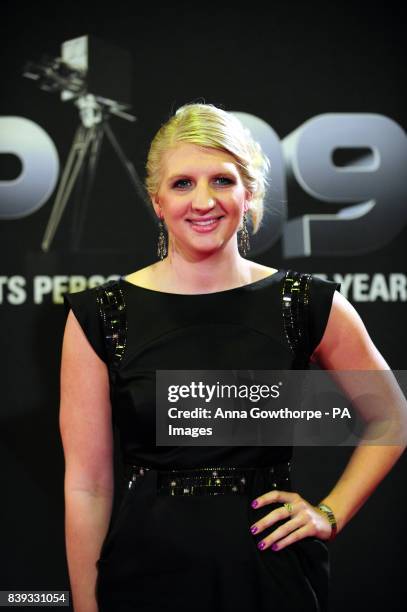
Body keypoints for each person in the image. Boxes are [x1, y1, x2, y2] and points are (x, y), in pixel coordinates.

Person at [59, 103, 406, 612]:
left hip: (271, 576)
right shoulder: (103, 313)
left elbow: (391, 415)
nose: (203, 201)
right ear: (156, 200)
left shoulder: (303, 302)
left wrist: (329, 514)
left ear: (249, 194)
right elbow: (88, 485)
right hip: (144, 576)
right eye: (182, 184)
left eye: (222, 180)